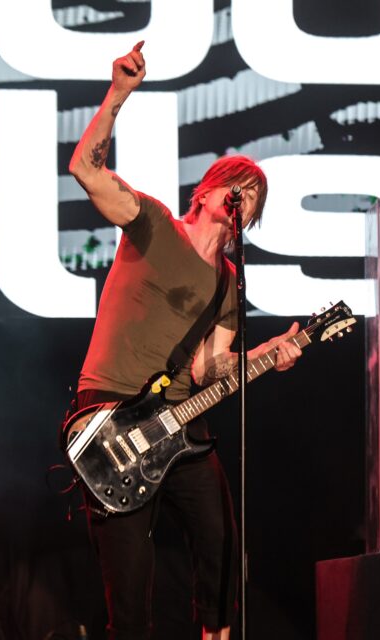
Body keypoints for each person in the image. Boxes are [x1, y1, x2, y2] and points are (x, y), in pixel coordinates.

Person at [68, 42, 302, 640]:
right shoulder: (150, 222)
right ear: (208, 191)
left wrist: (267, 356)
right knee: (132, 587)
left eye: (254, 198)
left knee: (222, 545)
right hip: (112, 413)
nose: (244, 200)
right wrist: (118, 92)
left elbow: (208, 369)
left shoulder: (228, 282)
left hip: (179, 427)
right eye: (239, 188)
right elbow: (86, 171)